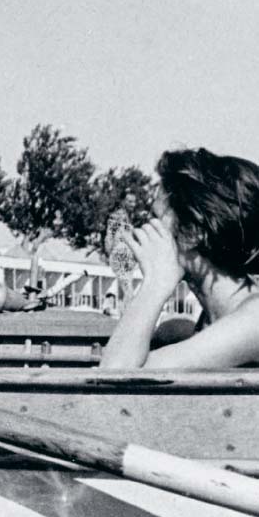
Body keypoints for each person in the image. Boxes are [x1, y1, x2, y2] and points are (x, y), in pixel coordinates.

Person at [101, 148, 259, 368]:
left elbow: (113, 381)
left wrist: (156, 283)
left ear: (192, 232)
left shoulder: (253, 321)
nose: (144, 228)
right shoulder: (204, 327)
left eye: (155, 218)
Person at [104, 190, 142, 308]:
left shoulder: (129, 218)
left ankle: (122, 317)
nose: (133, 204)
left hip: (127, 256)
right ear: (123, 202)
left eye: (134, 202)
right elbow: (109, 234)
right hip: (119, 255)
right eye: (130, 201)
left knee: (123, 290)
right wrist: (109, 252)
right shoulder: (117, 216)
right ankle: (128, 318)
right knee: (128, 289)